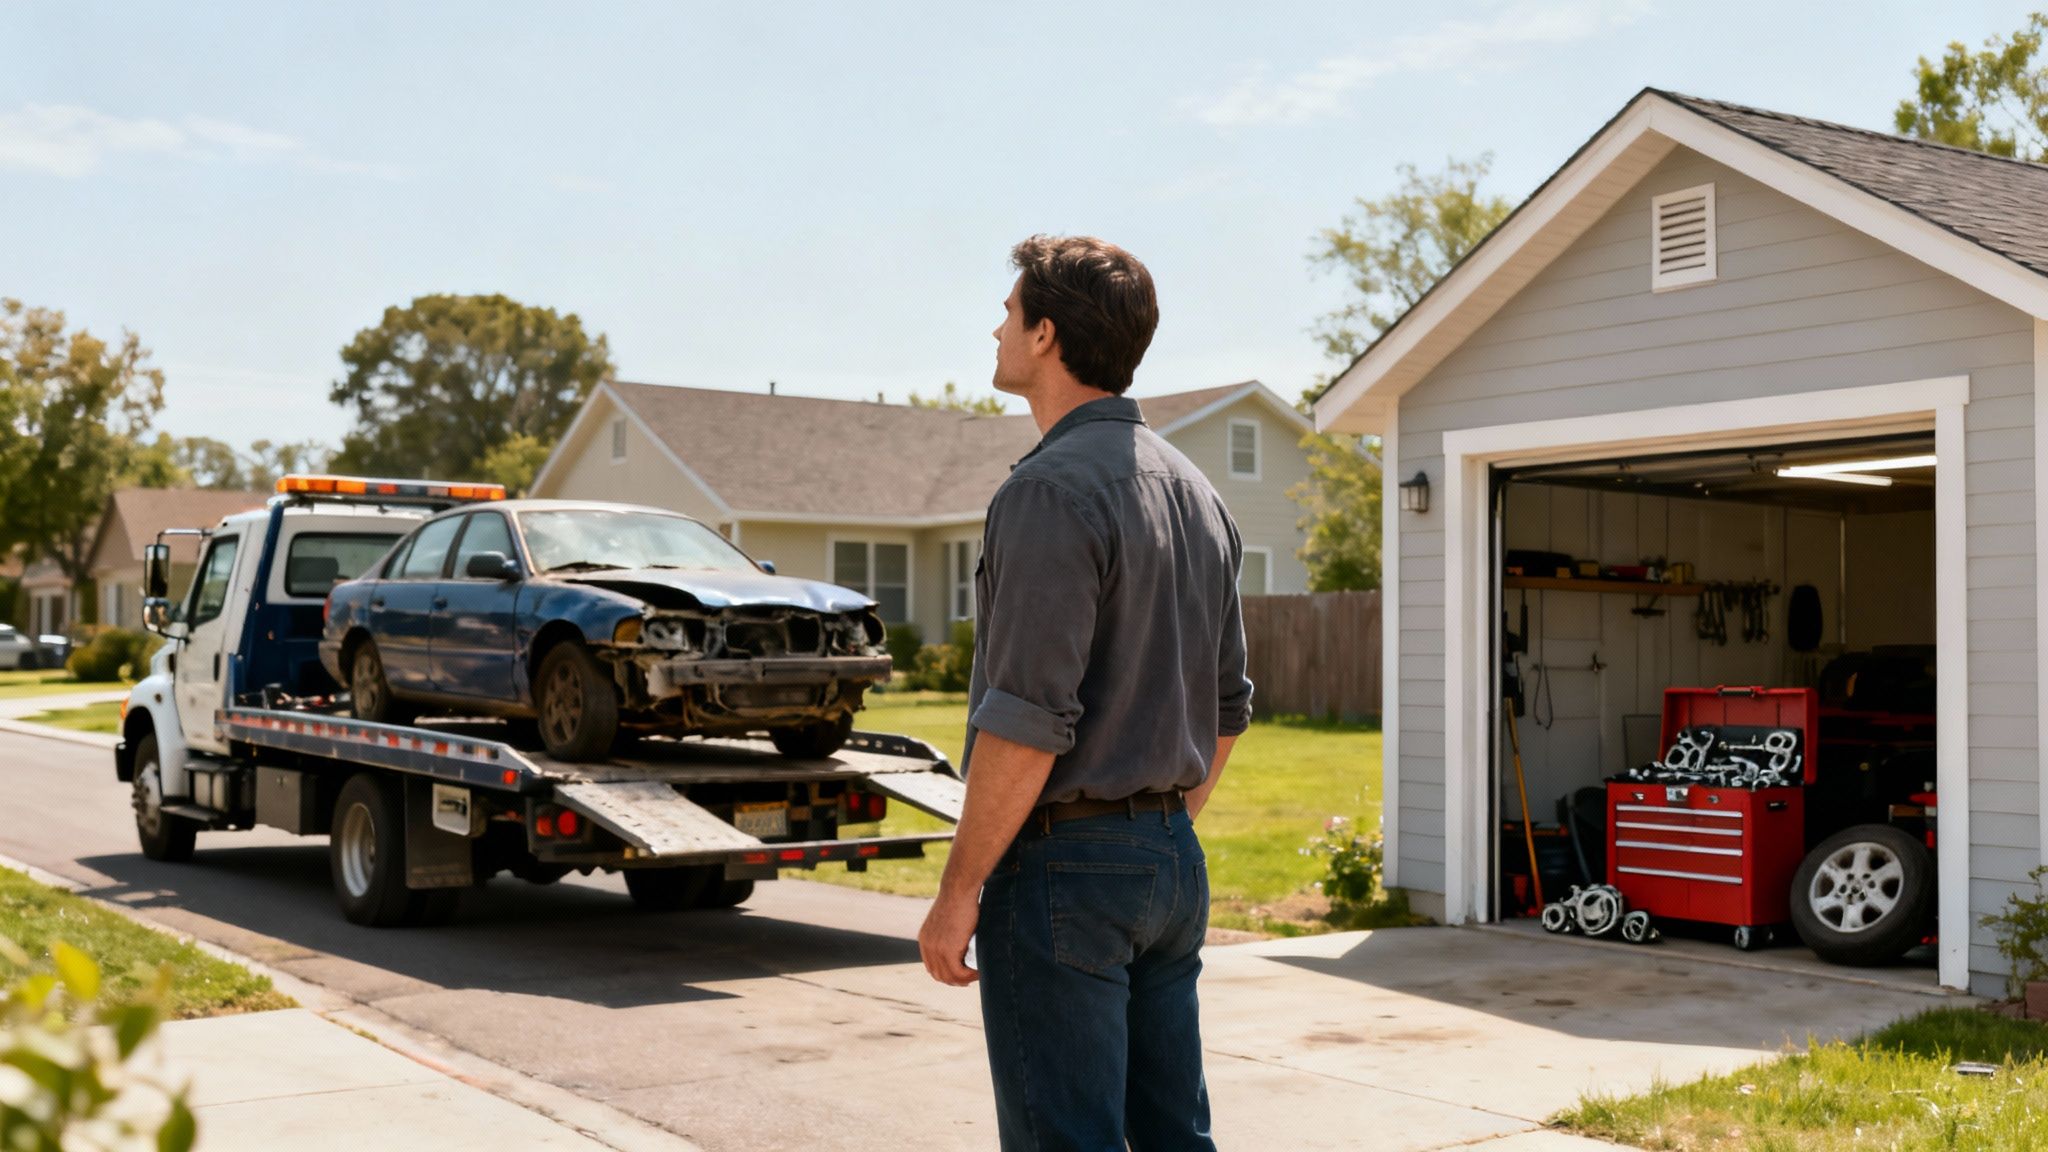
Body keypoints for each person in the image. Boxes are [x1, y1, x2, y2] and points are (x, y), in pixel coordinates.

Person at [917, 234, 1253, 1150]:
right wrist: (1160, 827)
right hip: (1172, 863)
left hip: (1066, 869)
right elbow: (1230, 708)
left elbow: (1027, 721)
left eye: (1010, 310)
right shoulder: (1197, 493)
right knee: (1173, 1139)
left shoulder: (1049, 493)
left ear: (1047, 336)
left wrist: (959, 891)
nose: (997, 325)